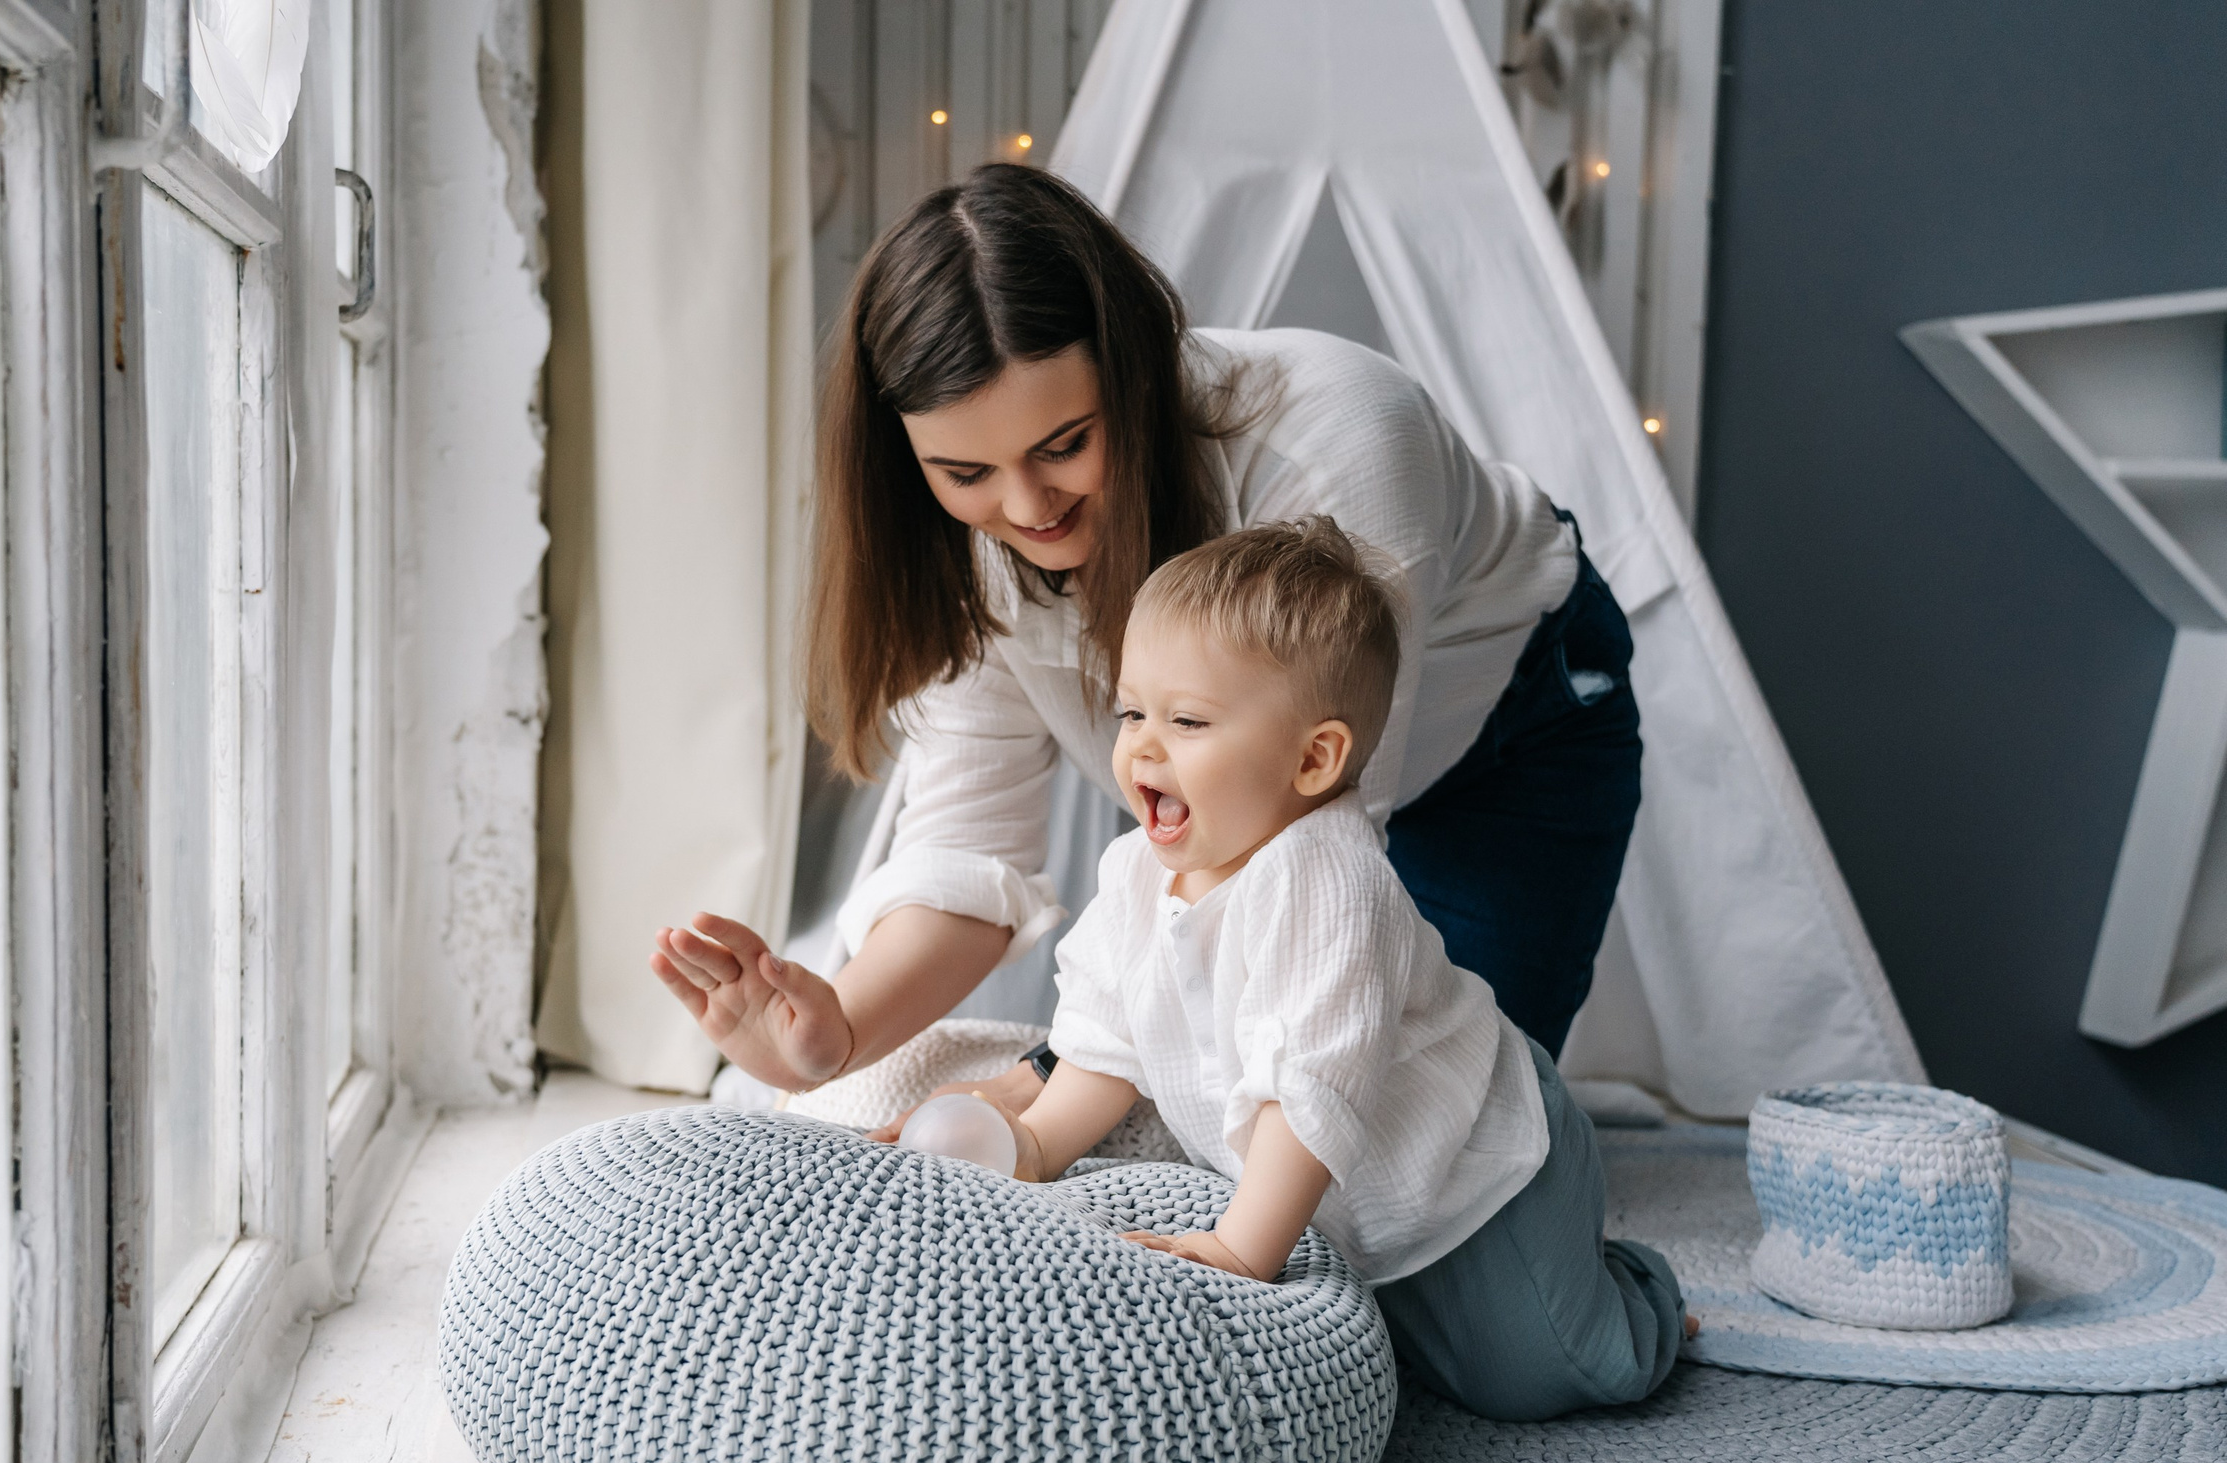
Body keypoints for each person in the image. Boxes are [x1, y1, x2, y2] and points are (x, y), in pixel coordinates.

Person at [649, 161, 1639, 1145]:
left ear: (1133, 366)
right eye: (965, 472)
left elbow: (1304, 849)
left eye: (1065, 443)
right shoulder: (973, 545)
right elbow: (968, 847)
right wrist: (836, 1029)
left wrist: (1056, 1072)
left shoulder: (1338, 438)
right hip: (1277, 821)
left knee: (1452, 1163)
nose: (1028, 509)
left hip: (1515, 733)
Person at [907, 518, 1684, 1422]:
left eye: (1188, 721)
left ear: (1314, 758)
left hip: (1478, 1175)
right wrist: (1035, 1144)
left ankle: (1638, 1287)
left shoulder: (1330, 880)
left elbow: (1310, 1093)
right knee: (1397, 1352)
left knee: (1546, 1374)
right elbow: (1103, 1042)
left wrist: (1242, 1252)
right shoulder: (1135, 873)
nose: (1143, 748)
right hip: (1339, 1198)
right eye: (1131, 713)